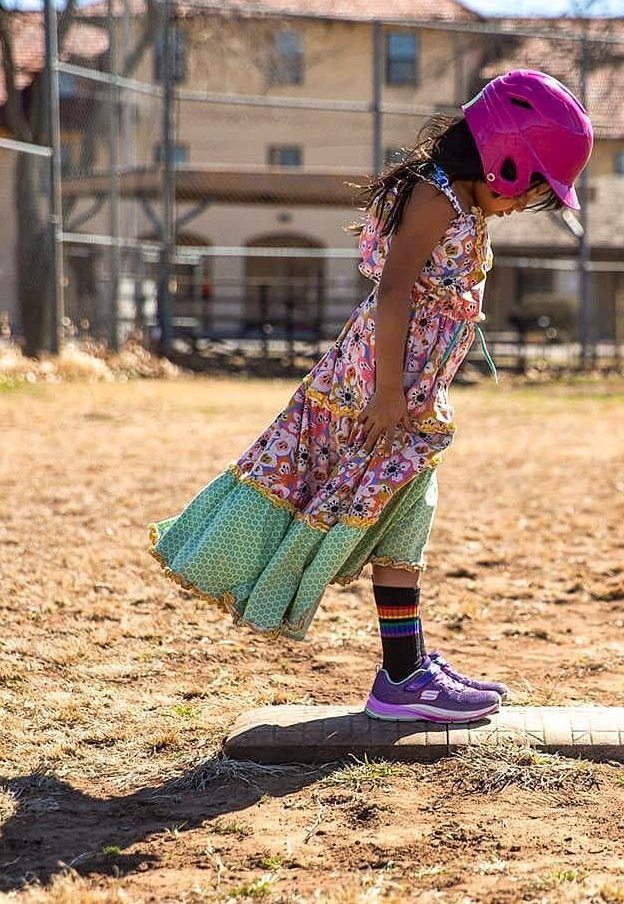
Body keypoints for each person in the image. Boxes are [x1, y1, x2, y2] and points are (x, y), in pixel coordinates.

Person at [147, 70, 593, 724]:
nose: (526, 205)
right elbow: (393, 292)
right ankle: (403, 676)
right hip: (378, 389)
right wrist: (388, 393)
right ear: (504, 161)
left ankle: (404, 669)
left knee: (408, 515)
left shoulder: (461, 204)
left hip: (410, 391)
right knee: (386, 505)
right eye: (532, 191)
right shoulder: (436, 198)